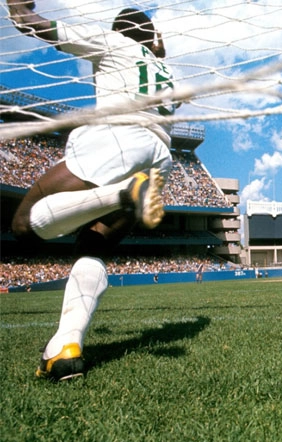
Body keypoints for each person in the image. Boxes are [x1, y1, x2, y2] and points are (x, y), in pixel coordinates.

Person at [8, 2, 177, 381]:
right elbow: (157, 58)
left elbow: (33, 25)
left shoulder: (114, 42)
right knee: (93, 245)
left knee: (23, 224)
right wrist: (156, 43)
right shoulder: (166, 71)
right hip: (160, 159)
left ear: (119, 30)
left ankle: (120, 194)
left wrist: (17, 6)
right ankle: (66, 345)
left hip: (119, 139)